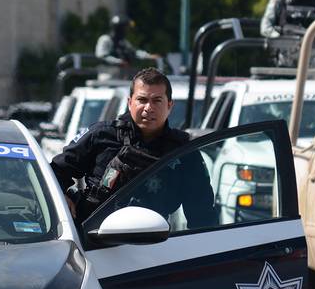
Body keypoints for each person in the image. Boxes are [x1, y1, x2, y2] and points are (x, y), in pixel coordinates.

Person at [51, 68, 215, 228]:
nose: (148, 108)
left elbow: (203, 214)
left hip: (154, 244)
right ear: (130, 103)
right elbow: (55, 171)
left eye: (157, 100)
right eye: (142, 100)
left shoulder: (183, 151)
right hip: (93, 242)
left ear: (170, 105)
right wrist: (61, 198)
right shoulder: (101, 134)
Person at [95, 15, 159, 80]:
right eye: (125, 28)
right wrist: (119, 62)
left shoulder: (122, 41)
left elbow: (134, 52)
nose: (127, 30)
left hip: (122, 75)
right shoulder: (105, 39)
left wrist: (148, 56)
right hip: (107, 75)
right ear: (118, 28)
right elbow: (101, 56)